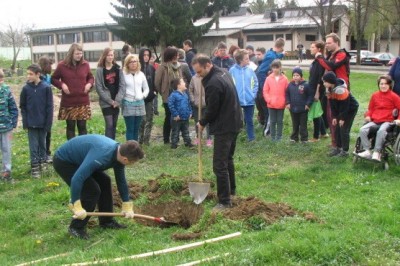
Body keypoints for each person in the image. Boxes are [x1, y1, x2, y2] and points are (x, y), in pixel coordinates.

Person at [53, 134, 144, 239]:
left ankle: (106, 222)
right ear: (125, 159)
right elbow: (77, 179)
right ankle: (76, 227)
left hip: (83, 159)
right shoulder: (102, 155)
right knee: (92, 191)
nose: (132, 164)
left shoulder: (119, 155)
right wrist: (76, 204)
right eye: (133, 162)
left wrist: (126, 203)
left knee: (105, 181)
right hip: (65, 161)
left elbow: (121, 180)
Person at [192, 54, 243, 211]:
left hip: (225, 126)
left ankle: (225, 201)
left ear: (208, 65)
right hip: (234, 121)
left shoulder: (213, 83)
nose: (198, 76)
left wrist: (202, 122)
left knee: (219, 165)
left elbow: (212, 109)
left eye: (199, 72)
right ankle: (231, 190)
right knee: (228, 159)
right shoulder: (223, 72)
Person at [51, 43, 94, 140]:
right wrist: (62, 85)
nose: (79, 56)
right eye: (77, 54)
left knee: (82, 127)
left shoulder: (85, 65)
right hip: (69, 102)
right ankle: (71, 150)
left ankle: (82, 149)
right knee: (70, 127)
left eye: (81, 53)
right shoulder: (62, 65)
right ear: (71, 54)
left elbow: (90, 77)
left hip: (83, 102)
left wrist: (89, 84)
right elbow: (53, 79)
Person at [355, 75, 400, 161]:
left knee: (381, 131)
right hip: (375, 120)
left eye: (385, 84)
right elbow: (371, 109)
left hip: (388, 121)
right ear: (378, 85)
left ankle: (377, 152)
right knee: (362, 130)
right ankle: (367, 150)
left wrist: (398, 119)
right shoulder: (375, 95)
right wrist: (368, 115)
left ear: (390, 85)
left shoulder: (394, 97)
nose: (383, 86)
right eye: (381, 84)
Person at [20, 64, 53, 178]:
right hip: (31, 123)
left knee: (42, 144)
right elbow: (23, 106)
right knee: (33, 145)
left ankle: (43, 163)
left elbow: (50, 107)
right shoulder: (25, 89)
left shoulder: (46, 88)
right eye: (27, 73)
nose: (28, 76)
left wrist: (48, 123)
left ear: (38, 74)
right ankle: (35, 166)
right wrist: (25, 121)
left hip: (43, 122)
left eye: (31, 74)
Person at [322, 72, 358, 157]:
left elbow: (345, 106)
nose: (323, 83)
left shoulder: (340, 90)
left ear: (330, 81)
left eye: (325, 81)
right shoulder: (329, 89)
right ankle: (337, 148)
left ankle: (344, 151)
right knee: (337, 129)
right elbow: (332, 104)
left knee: (344, 129)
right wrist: (334, 117)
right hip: (340, 109)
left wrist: (342, 118)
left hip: (350, 109)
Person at [155, 46, 184, 144]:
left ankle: (176, 138)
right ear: (170, 55)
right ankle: (166, 139)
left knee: (178, 117)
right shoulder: (162, 67)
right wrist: (162, 92)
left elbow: (181, 79)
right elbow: (157, 82)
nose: (177, 56)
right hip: (168, 96)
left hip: (179, 95)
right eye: (175, 54)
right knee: (169, 116)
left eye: (177, 54)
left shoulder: (179, 66)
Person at [256, 38, 285, 136]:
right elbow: (261, 71)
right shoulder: (271, 56)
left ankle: (267, 128)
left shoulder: (271, 53)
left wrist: (281, 55)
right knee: (267, 110)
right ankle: (267, 132)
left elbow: (276, 56)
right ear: (281, 47)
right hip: (264, 85)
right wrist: (266, 84)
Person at [229, 49, 258, 142]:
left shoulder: (250, 70)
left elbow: (255, 83)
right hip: (237, 100)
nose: (248, 60)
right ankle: (234, 138)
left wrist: (253, 94)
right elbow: (229, 84)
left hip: (249, 100)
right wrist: (233, 97)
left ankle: (251, 138)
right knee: (235, 120)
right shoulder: (232, 70)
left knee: (249, 120)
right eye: (246, 59)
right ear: (240, 60)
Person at [95, 48, 124, 140]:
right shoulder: (99, 70)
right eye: (108, 55)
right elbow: (99, 88)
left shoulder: (118, 69)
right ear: (104, 56)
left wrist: (117, 100)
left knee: (114, 125)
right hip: (106, 102)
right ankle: (107, 146)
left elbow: (122, 86)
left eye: (112, 55)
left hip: (116, 101)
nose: (110, 57)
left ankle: (113, 145)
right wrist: (110, 101)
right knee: (109, 124)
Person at [121, 54, 149, 141]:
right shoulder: (123, 74)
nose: (133, 63)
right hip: (128, 103)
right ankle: (129, 150)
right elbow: (121, 88)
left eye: (135, 61)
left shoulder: (141, 74)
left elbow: (146, 89)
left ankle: (135, 149)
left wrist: (143, 95)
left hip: (140, 103)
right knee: (130, 128)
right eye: (131, 62)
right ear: (127, 63)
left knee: (136, 129)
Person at [263, 59, 289, 142]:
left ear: (280, 67)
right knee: (272, 121)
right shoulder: (268, 78)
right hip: (271, 104)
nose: (275, 69)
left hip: (281, 104)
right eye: (273, 67)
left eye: (276, 67)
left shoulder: (285, 79)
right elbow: (265, 91)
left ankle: (279, 136)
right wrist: (268, 100)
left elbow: (287, 91)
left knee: (280, 121)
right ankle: (273, 136)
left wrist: (285, 101)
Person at [285, 67, 313, 143]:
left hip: (303, 109)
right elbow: (287, 94)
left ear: (301, 76)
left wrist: (308, 104)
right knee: (295, 124)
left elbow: (310, 95)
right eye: (294, 75)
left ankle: (304, 138)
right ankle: (294, 138)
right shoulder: (290, 85)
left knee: (303, 125)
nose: (295, 77)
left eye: (297, 75)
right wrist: (287, 103)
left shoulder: (306, 85)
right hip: (293, 108)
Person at [0, 69, 18, 183]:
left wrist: (13, 123)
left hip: (6, 127)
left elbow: (13, 108)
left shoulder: (6, 90)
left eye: (1, 78)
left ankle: (6, 172)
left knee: (6, 149)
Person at [308, 41, 329, 142]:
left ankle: (316, 137)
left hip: (317, 89)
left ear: (319, 49)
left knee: (315, 112)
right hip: (312, 88)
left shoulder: (320, 61)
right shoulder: (316, 60)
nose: (311, 49)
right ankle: (324, 132)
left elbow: (320, 78)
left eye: (313, 47)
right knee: (317, 111)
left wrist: (317, 92)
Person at [168, 78, 194, 149]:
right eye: (183, 82)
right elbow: (171, 105)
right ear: (178, 86)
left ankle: (188, 143)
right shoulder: (173, 95)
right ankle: (174, 145)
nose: (185, 83)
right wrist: (175, 114)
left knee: (186, 131)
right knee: (175, 132)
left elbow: (188, 104)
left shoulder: (185, 94)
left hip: (185, 117)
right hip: (177, 119)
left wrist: (190, 112)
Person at [37, 56, 54, 162]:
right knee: (40, 132)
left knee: (48, 131)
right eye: (50, 65)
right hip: (40, 108)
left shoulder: (48, 77)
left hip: (48, 107)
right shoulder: (39, 77)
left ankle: (47, 152)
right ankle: (41, 153)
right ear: (45, 66)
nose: (51, 67)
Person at [138, 47, 156, 145]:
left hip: (149, 98)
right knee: (142, 120)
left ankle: (146, 140)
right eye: (144, 55)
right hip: (139, 99)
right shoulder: (137, 68)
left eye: (148, 55)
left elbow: (153, 82)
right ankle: (139, 139)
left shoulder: (152, 68)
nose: (146, 57)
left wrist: (154, 92)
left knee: (149, 119)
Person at [188, 73, 212, 147]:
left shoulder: (208, 77)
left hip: (206, 104)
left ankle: (209, 140)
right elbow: (190, 90)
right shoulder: (194, 78)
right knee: (197, 122)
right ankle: (198, 138)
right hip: (197, 105)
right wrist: (193, 100)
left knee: (208, 123)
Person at [254, 47, 266, 126]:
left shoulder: (266, 65)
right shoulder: (257, 65)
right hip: (257, 90)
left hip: (264, 90)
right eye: (256, 54)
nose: (257, 56)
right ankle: (261, 121)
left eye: (259, 54)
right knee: (259, 106)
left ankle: (266, 122)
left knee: (265, 107)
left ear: (264, 54)